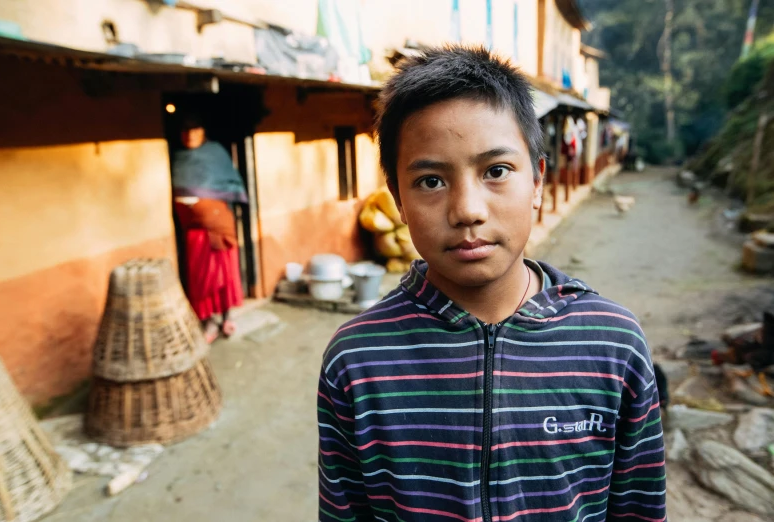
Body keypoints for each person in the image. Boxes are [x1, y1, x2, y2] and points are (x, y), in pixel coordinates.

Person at [317, 46, 666, 522]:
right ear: (398, 199)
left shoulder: (612, 343)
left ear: (539, 181)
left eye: (496, 172)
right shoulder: (358, 359)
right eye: (431, 181)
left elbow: (640, 509)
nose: (467, 210)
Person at [172, 115, 247, 343]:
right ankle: (208, 321)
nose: (189, 136)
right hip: (195, 232)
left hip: (219, 227)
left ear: (203, 131)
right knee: (201, 278)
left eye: (194, 130)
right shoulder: (179, 158)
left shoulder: (215, 153)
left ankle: (226, 316)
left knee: (225, 272)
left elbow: (229, 184)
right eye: (185, 131)